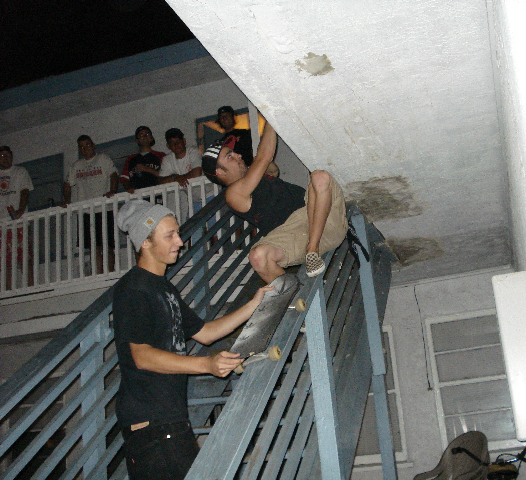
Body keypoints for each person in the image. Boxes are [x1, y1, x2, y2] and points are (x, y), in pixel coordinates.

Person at [113, 198, 272, 480]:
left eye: (177, 233)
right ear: (145, 242)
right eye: (169, 235)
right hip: (151, 424)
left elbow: (205, 333)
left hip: (170, 420)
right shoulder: (134, 289)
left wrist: (253, 305)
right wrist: (206, 365)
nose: (180, 241)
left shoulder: (165, 289)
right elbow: (142, 356)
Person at [201, 121, 348, 283]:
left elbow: (270, 166)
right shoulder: (233, 194)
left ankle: (312, 250)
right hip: (294, 235)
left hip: (321, 218)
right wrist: (270, 116)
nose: (238, 155)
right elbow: (265, 156)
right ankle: (294, 294)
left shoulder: (253, 176)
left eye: (234, 152)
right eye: (230, 157)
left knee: (319, 177)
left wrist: (259, 162)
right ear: (220, 172)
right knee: (258, 256)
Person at [63, 135, 119, 274]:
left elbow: (113, 175)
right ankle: (99, 274)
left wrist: (112, 191)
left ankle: (110, 273)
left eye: (87, 145)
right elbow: (67, 183)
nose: (85, 148)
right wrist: (67, 199)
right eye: (81, 146)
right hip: (86, 211)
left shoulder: (103, 158)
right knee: (93, 247)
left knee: (107, 245)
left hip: (104, 208)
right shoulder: (76, 165)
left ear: (93, 145)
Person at [0, 146, 34, 289]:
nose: (5, 158)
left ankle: (30, 286)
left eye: (7, 155)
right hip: (2, 223)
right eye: (2, 156)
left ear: (12, 156)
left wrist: (20, 209)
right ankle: (7, 289)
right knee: (5, 259)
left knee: (24, 257)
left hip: (19, 222)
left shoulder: (20, 171)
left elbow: (25, 191)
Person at [120, 126, 165, 192]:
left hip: (156, 193)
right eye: (141, 135)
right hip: (137, 195)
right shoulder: (130, 159)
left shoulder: (160, 155)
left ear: (151, 138)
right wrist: (129, 188)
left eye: (147, 133)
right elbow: (124, 179)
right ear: (137, 140)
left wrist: (147, 169)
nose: (144, 136)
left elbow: (165, 175)